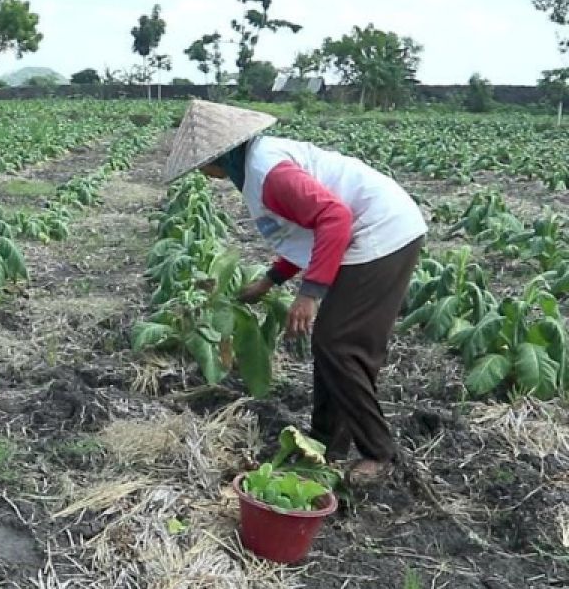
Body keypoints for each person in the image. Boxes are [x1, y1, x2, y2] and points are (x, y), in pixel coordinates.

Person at [162, 100, 428, 485]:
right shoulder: (256, 167)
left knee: (339, 344)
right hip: (366, 233)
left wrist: (310, 294)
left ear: (217, 157)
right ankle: (325, 445)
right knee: (339, 345)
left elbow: (334, 219)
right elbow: (305, 233)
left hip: (381, 233)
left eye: (201, 164)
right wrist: (271, 279)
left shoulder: (268, 172)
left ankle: (379, 453)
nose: (203, 174)